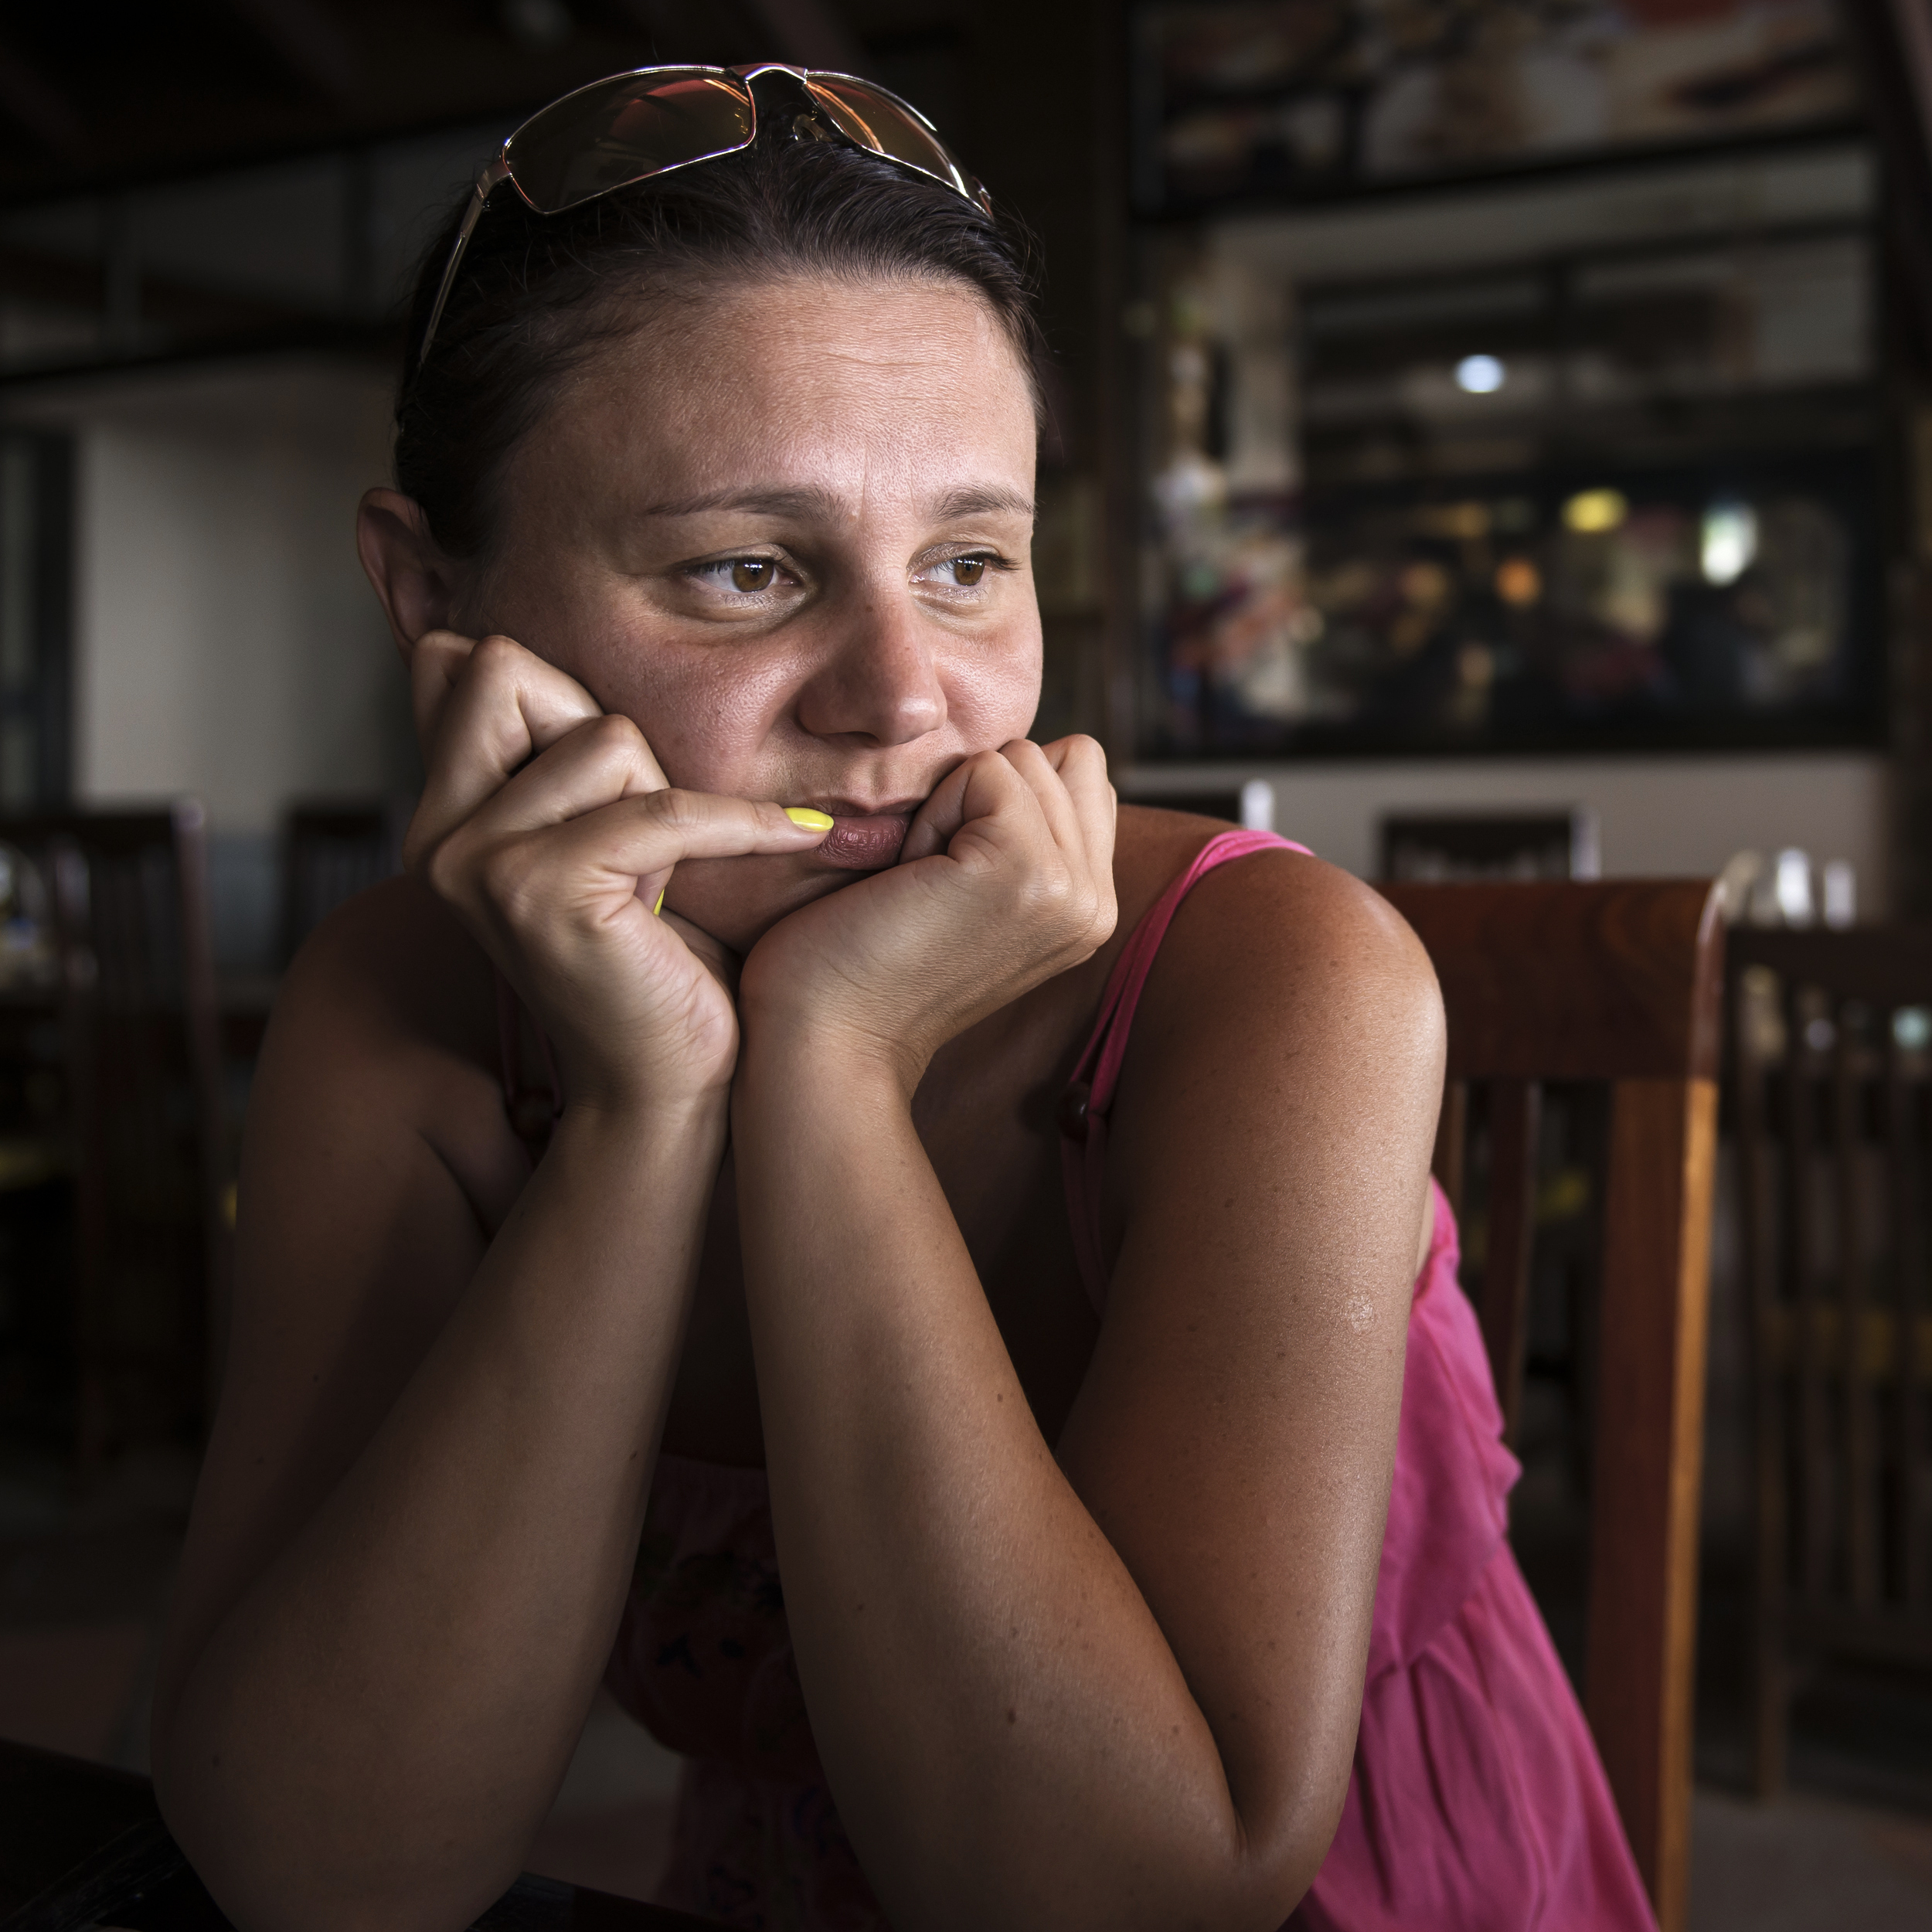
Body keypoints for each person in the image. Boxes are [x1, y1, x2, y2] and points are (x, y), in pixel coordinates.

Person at [150, 63, 1655, 1932]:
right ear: (429, 596)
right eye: (743, 570)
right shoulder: (405, 1014)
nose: (900, 694)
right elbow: (321, 1873)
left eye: (966, 563)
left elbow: (1123, 1896)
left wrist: (836, 1062)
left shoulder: (1272, 982)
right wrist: (647, 1105)